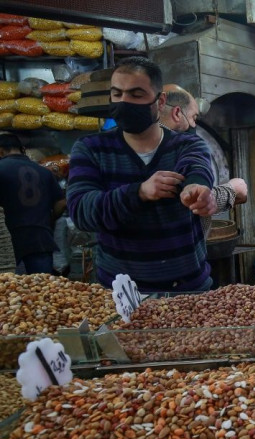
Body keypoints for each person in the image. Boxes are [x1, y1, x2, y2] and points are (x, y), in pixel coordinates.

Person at [67, 57, 216, 292]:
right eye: (117, 94)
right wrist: (139, 192)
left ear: (160, 101)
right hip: (122, 295)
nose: (124, 102)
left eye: (136, 95)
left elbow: (196, 168)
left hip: (188, 289)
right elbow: (82, 211)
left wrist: (196, 188)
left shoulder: (187, 145)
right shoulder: (91, 149)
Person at [159, 84, 248, 237]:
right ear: (177, 113)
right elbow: (188, 201)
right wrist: (232, 190)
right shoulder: (177, 146)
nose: (194, 125)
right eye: (194, 118)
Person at [0, 132, 66, 274]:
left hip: (10, 244)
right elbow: (61, 204)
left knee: (11, 291)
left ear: (0, 150)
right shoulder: (45, 172)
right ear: (22, 149)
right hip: (41, 240)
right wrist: (50, 219)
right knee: (41, 290)